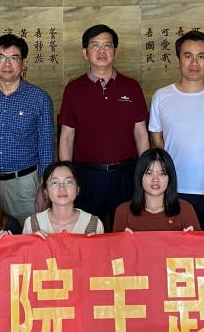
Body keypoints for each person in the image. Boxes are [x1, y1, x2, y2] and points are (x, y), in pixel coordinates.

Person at [58, 24, 149, 227]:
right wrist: (67, 176)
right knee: (88, 232)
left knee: (125, 231)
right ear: (85, 52)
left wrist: (144, 172)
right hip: (86, 176)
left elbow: (141, 133)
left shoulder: (131, 87)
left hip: (126, 175)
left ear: (115, 51)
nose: (101, 51)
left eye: (107, 45)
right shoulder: (73, 89)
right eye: (95, 45)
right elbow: (67, 136)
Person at [149, 31, 204, 227]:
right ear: (177, 60)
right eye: (188, 55)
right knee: (175, 242)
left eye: (201, 56)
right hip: (172, 187)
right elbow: (157, 139)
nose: (194, 63)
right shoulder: (161, 96)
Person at [0, 34, 53, 224]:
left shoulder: (39, 98)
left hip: (24, 184)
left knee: (26, 233)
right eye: (1, 57)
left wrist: (44, 187)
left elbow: (46, 147)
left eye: (14, 58)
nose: (7, 64)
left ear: (23, 63)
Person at [111, 148, 201, 232]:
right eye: (149, 173)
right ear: (139, 176)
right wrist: (121, 240)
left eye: (162, 174)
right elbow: (114, 244)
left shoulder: (185, 209)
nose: (155, 179)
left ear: (170, 178)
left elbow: (200, 243)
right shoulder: (123, 211)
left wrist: (193, 239)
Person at [23, 161, 103, 235]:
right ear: (46, 191)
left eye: (68, 182)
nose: (62, 188)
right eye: (55, 183)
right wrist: (32, 242)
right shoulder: (31, 224)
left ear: (78, 189)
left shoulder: (95, 224)